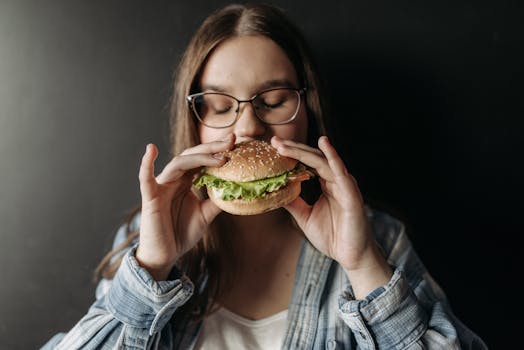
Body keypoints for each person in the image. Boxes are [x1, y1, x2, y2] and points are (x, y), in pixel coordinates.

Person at [42, 3, 487, 349]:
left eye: (273, 101)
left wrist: (362, 265)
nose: (249, 127)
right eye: (219, 105)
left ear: (307, 113)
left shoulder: (380, 240)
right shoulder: (144, 240)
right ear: (194, 121)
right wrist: (153, 267)